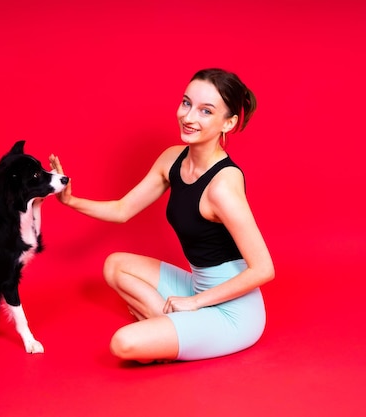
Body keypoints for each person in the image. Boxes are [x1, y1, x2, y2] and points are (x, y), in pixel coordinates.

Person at [49, 68, 274, 363]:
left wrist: (194, 302)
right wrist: (71, 201)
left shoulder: (223, 186)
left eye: (206, 111)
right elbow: (123, 210)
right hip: (198, 285)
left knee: (124, 344)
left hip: (234, 311)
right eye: (186, 103)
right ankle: (172, 329)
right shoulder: (172, 158)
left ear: (228, 123)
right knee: (115, 265)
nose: (189, 117)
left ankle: (171, 331)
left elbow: (263, 269)